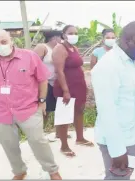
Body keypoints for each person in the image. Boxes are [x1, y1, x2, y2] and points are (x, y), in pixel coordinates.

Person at [0, 29, 61, 180]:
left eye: (3, 42)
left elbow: (42, 80)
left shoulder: (29, 56)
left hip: (29, 108)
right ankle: (19, 172)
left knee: (38, 141)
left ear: (11, 39)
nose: (0, 46)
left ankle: (52, 170)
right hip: (2, 111)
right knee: (9, 145)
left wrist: (42, 102)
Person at [91, 21, 135, 180]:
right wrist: (117, 151)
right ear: (127, 41)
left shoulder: (132, 61)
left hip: (133, 136)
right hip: (120, 142)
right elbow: (107, 112)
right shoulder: (109, 65)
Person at [52, 25, 94, 157]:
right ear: (63, 34)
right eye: (71, 33)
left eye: (76, 33)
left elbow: (78, 66)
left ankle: (80, 138)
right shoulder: (59, 49)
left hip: (78, 85)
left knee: (79, 110)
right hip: (66, 86)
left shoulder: (74, 48)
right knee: (64, 115)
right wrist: (65, 90)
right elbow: (59, 71)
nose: (74, 35)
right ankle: (64, 146)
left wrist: (83, 84)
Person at [33, 30, 62, 140]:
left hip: (57, 82)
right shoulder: (42, 47)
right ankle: (39, 134)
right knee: (45, 110)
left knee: (59, 108)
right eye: (60, 38)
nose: (61, 40)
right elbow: (34, 64)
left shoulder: (59, 49)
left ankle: (60, 132)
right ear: (55, 38)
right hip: (45, 83)